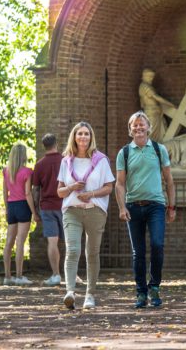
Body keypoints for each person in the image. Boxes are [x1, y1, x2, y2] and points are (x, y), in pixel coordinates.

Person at [115, 111, 176, 308]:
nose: (139, 128)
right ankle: (141, 293)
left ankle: (155, 287)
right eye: (135, 125)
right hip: (133, 207)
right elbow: (120, 184)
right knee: (138, 252)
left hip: (156, 205)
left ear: (149, 128)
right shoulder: (124, 153)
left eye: (142, 125)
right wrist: (122, 207)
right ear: (130, 130)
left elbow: (169, 181)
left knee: (157, 245)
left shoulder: (159, 150)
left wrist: (172, 206)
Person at [57, 122, 114, 309]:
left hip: (95, 211)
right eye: (79, 134)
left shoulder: (101, 160)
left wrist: (90, 194)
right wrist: (72, 187)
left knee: (92, 253)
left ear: (91, 137)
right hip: (72, 211)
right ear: (74, 137)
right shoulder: (66, 161)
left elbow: (109, 187)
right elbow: (60, 192)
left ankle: (90, 294)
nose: (83, 137)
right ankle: (70, 292)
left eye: (86, 134)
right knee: (73, 250)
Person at [32, 133, 64, 286]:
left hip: (47, 207)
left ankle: (56, 275)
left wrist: (36, 210)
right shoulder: (65, 161)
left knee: (52, 241)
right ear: (56, 144)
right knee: (72, 241)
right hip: (65, 206)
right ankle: (73, 274)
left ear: (43, 146)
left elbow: (36, 189)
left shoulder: (39, 164)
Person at [2, 143, 34, 286]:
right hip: (23, 206)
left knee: (9, 242)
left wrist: (7, 208)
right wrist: (34, 212)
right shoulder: (27, 171)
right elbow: (28, 193)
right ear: (24, 155)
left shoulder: (6, 171)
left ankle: (7, 277)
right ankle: (19, 276)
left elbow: (5, 192)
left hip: (12, 206)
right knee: (20, 242)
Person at [138, 68, 174, 142]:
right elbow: (156, 97)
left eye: (152, 77)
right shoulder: (144, 86)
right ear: (144, 76)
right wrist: (169, 104)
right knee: (151, 132)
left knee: (157, 134)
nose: (151, 79)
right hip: (151, 112)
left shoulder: (147, 86)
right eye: (149, 77)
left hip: (155, 112)